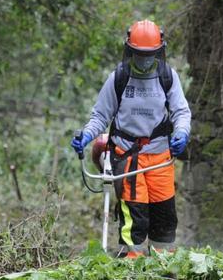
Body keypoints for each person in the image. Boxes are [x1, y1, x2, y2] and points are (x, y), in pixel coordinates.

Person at [72, 19, 192, 258]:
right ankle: (131, 266)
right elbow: (100, 116)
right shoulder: (119, 78)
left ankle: (164, 266)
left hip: (160, 158)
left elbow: (181, 112)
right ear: (130, 51)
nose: (145, 59)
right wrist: (86, 135)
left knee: (165, 216)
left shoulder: (167, 76)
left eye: (150, 54)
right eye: (139, 54)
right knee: (134, 218)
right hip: (127, 159)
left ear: (159, 52)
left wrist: (181, 132)